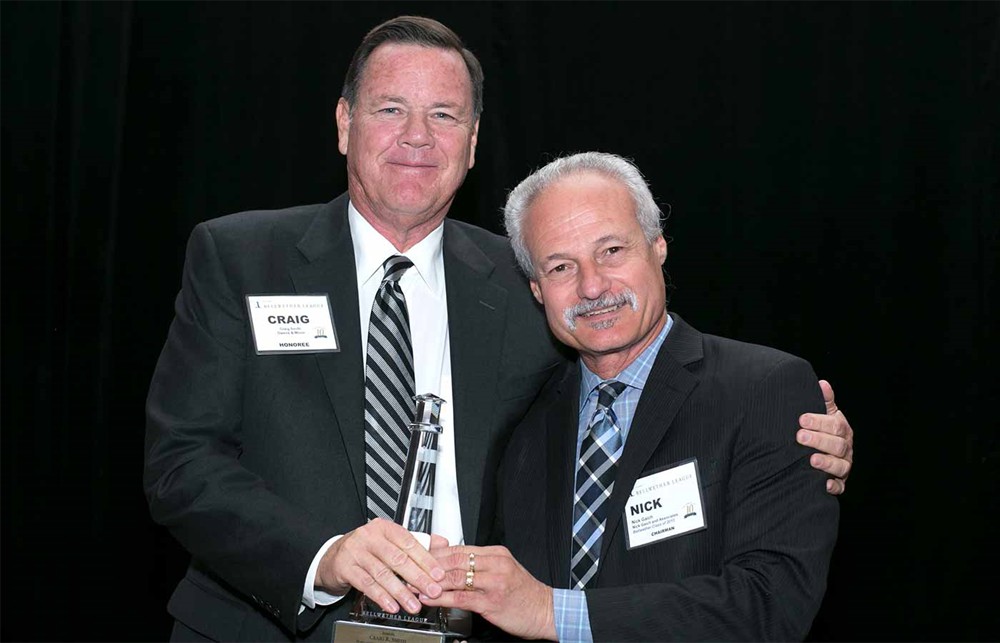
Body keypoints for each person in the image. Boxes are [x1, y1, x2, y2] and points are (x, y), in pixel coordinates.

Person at [143, 17, 853, 643]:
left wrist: (796, 438)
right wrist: (322, 556)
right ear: (343, 122)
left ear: (474, 141)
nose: (418, 136)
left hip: (463, 630)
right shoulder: (240, 259)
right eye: (391, 108)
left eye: (445, 115)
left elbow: (642, 372)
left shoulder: (523, 281)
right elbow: (180, 463)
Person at [422, 152, 841, 641]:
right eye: (560, 267)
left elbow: (771, 604)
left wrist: (552, 612)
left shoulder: (764, 390)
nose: (593, 285)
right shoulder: (525, 418)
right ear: (536, 289)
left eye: (612, 251)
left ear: (657, 245)